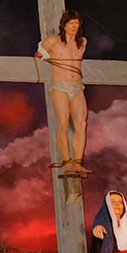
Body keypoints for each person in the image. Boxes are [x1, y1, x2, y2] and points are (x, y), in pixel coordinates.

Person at [35, 10, 91, 175]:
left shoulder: (82, 42)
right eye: (70, 23)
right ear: (64, 25)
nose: (73, 26)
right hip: (60, 87)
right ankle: (67, 162)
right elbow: (37, 57)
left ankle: (77, 162)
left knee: (81, 124)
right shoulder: (52, 42)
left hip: (77, 86)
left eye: (76, 23)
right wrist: (47, 60)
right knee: (63, 124)